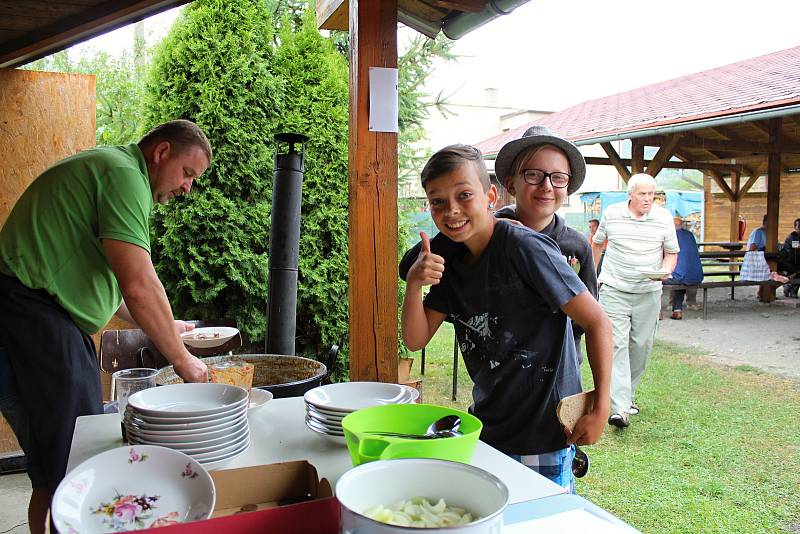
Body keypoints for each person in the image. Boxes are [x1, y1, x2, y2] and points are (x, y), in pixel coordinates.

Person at [0, 119, 211, 533]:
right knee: (83, 457)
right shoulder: (124, 176)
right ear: (162, 152)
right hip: (34, 316)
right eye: (187, 173)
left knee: (52, 461)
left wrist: (169, 327)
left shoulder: (113, 170)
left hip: (27, 317)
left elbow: (115, 292)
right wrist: (183, 360)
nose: (188, 188)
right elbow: (138, 285)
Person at [402, 144, 612, 493]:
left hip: (545, 431)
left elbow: (597, 322)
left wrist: (601, 406)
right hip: (486, 424)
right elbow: (416, 338)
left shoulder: (525, 248)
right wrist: (413, 284)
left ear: (491, 195)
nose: (451, 210)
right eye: (438, 201)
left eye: (464, 195)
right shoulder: (452, 262)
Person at [400, 126, 597, 358]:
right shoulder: (481, 234)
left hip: (554, 368)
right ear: (511, 184)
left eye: (558, 177)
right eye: (533, 174)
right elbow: (409, 267)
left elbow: (589, 319)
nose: (546, 185)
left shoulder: (576, 245)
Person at [591, 173, 678, 429]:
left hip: (649, 291)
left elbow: (671, 253)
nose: (648, 199)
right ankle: (619, 408)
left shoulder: (663, 218)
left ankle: (625, 396)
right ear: (630, 194)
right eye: (643, 194)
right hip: (615, 288)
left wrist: (666, 269)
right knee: (616, 345)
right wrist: (590, 278)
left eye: (652, 194)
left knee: (641, 345)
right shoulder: (613, 214)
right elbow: (597, 245)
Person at [662, 216, 703, 319]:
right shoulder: (689, 235)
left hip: (680, 277)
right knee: (680, 278)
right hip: (696, 276)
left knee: (655, 281)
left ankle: (658, 313)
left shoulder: (670, 237)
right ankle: (677, 310)